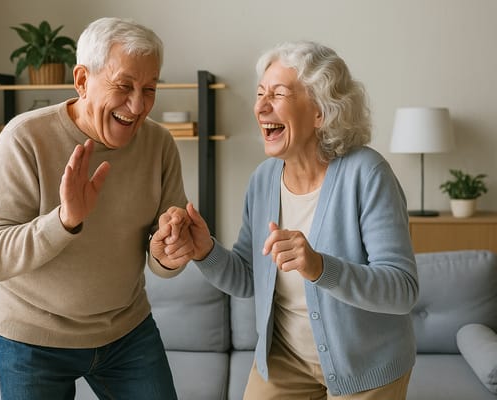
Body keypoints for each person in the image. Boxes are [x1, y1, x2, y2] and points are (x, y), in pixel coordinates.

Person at [165, 41, 418, 399]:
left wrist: (319, 267)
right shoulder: (264, 180)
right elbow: (249, 278)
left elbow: (402, 290)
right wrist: (205, 251)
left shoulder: (367, 174)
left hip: (365, 365)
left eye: (279, 94)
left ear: (320, 111)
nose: (260, 106)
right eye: (260, 94)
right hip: (285, 359)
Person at [0, 17, 194, 400]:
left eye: (149, 89)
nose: (138, 105)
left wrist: (170, 253)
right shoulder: (24, 138)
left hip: (127, 331)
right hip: (33, 340)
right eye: (124, 86)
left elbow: (162, 259)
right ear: (81, 80)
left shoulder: (159, 144)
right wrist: (64, 221)